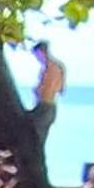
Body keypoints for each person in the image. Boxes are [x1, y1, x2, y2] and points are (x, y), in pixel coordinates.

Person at [29, 40, 65, 172]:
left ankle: (37, 170)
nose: (37, 59)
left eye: (37, 55)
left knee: (36, 141)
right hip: (49, 107)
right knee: (37, 140)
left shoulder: (50, 69)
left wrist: (37, 89)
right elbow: (61, 89)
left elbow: (46, 89)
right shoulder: (58, 67)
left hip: (45, 106)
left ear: (42, 53)